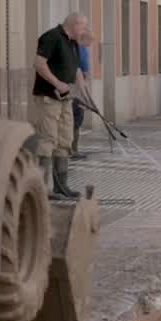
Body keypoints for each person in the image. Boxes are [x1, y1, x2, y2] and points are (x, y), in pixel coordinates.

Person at [34, 13, 88, 200]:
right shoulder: (51, 37)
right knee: (47, 140)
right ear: (73, 25)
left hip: (67, 99)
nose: (84, 31)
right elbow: (39, 64)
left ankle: (61, 186)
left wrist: (85, 95)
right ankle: (42, 188)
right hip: (49, 97)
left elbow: (77, 70)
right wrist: (57, 84)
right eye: (82, 27)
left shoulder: (72, 42)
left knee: (65, 140)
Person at [71, 30, 94, 161]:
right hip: (76, 94)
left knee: (73, 123)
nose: (89, 45)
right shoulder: (81, 51)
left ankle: (70, 150)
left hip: (72, 93)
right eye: (89, 42)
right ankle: (72, 150)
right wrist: (86, 99)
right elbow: (81, 76)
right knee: (76, 122)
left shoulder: (73, 49)